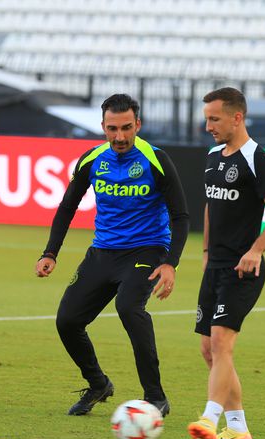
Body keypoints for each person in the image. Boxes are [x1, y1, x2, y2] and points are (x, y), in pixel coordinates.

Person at [35, 94, 189, 417]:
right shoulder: (92, 160)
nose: (119, 136)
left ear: (138, 125)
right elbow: (67, 206)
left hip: (147, 249)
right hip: (103, 252)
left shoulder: (155, 159)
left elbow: (181, 216)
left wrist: (170, 263)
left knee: (129, 307)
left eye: (126, 128)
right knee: (67, 321)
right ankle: (98, 384)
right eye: (112, 128)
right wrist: (51, 252)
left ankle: (155, 397)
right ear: (102, 126)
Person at [187, 87, 265, 439]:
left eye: (214, 119)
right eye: (207, 119)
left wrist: (256, 250)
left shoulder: (257, 158)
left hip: (243, 270)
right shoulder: (214, 156)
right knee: (209, 351)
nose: (208, 125)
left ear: (237, 117)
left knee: (221, 344)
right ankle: (238, 430)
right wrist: (204, 250)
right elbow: (211, 207)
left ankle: (208, 420)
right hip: (214, 266)